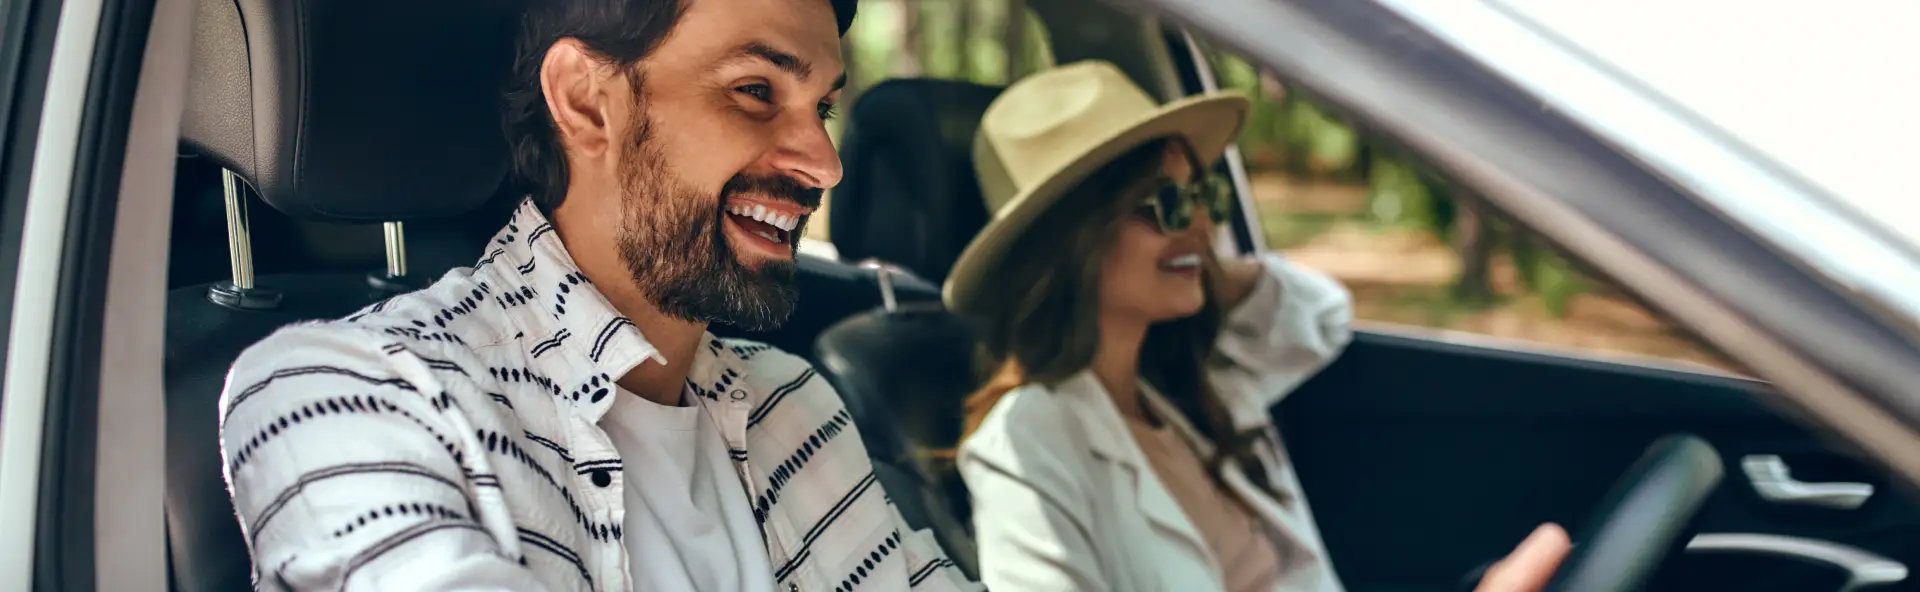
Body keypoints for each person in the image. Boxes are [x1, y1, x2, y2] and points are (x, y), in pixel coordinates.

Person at [215, 0, 979, 590]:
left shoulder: (793, 406)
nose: (824, 163)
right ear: (585, 102)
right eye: (754, 91)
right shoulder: (347, 392)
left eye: (821, 109)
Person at [948, 60, 1568, 592]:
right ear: (1071, 242)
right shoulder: (1026, 446)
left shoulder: (1191, 381)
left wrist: (1194, 257)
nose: (1200, 224)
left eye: (1203, 197)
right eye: (1165, 203)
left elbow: (1323, 317)